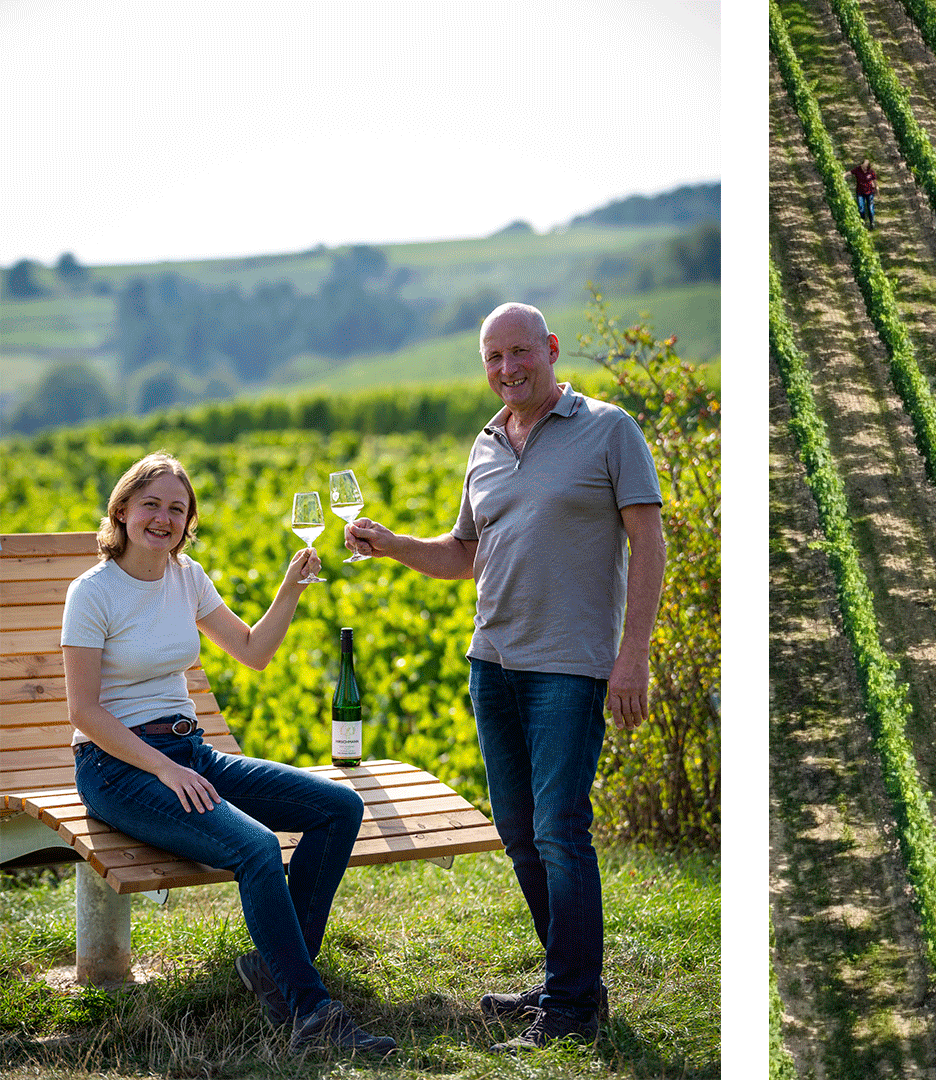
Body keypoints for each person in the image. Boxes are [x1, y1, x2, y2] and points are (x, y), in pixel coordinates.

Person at [344, 302, 665, 1052]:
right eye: (493, 358)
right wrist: (390, 544)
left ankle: (571, 1009)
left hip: (571, 669)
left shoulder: (608, 428)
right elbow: (464, 555)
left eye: (520, 352)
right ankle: (569, 983)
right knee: (519, 834)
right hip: (492, 665)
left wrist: (635, 652)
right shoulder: (485, 445)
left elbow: (648, 543)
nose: (507, 368)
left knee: (559, 830)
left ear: (551, 349)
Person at [62, 453, 395, 1056]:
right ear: (123, 509)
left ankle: (276, 970)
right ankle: (311, 1012)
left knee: (338, 808)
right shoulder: (92, 593)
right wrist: (163, 768)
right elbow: (84, 712)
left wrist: (290, 588)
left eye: (177, 509)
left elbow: (253, 649)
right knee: (257, 846)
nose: (163, 519)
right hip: (120, 768)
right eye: (151, 505)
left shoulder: (187, 577)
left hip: (191, 753)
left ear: (188, 522)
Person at [850, 157, 877, 226]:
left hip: (869, 192)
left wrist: (876, 187)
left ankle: (872, 222)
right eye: (863, 166)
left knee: (871, 209)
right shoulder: (858, 170)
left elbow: (874, 180)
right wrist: (843, 175)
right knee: (861, 208)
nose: (864, 168)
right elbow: (850, 172)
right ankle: (862, 222)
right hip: (860, 192)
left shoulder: (871, 171)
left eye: (866, 167)